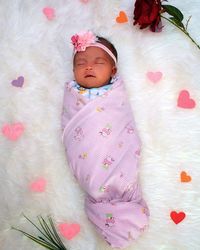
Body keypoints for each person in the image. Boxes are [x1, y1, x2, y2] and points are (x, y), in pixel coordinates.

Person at [61, 31, 149, 249]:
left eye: (98, 62)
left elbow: (123, 123)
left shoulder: (115, 95)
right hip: (87, 149)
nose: (88, 67)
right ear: (74, 71)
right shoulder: (73, 94)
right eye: (81, 63)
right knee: (91, 167)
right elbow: (70, 128)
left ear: (113, 70)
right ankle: (103, 206)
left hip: (116, 147)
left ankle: (120, 205)